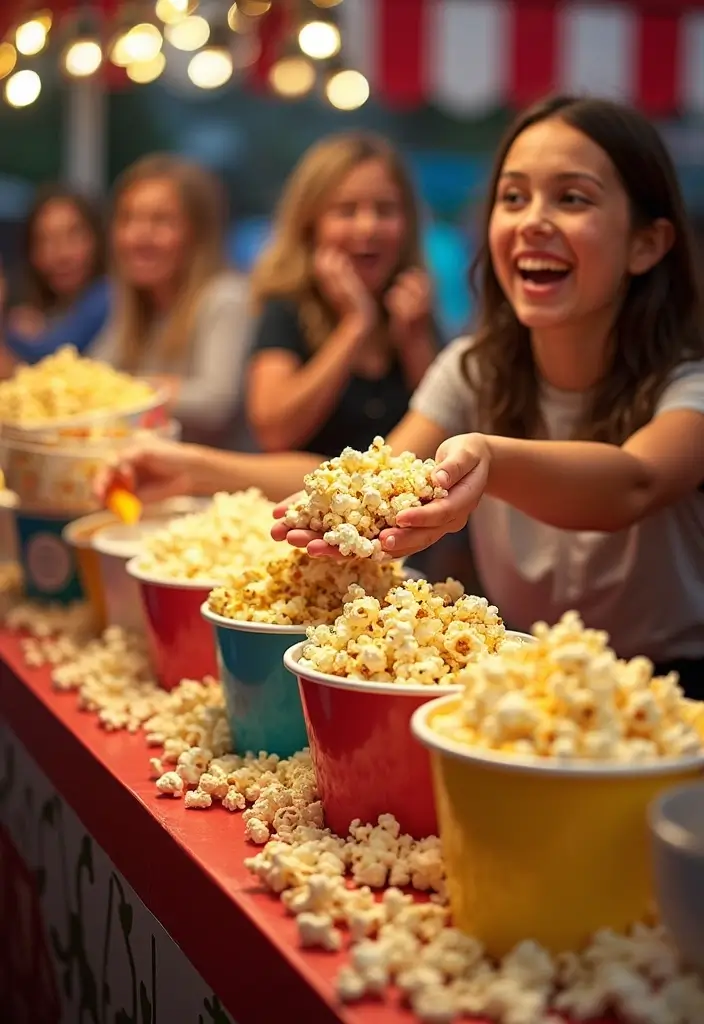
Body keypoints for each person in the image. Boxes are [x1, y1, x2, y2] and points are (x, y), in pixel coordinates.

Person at [274, 96, 704, 696]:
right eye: (514, 197)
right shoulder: (472, 369)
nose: (532, 220)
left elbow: (635, 482)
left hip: (670, 695)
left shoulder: (690, 385)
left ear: (647, 243)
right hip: (516, 679)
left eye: (572, 198)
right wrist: (197, 468)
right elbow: (375, 479)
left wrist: (491, 460)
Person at [246, 132, 439, 456]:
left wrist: (415, 341)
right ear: (311, 225)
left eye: (385, 210)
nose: (368, 227)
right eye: (347, 211)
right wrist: (355, 325)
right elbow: (274, 433)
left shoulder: (414, 309)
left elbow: (449, 436)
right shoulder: (287, 307)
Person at [90, 154, 252, 447]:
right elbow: (91, 377)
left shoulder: (225, 297)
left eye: (160, 221)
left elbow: (215, 403)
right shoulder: (138, 305)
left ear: (198, 234)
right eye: (127, 218)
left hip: (218, 487)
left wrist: (126, 388)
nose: (137, 236)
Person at [0, 185, 109, 369]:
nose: (61, 254)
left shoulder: (108, 293)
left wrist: (14, 331)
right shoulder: (51, 307)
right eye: (45, 241)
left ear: (96, 239)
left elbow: (56, 354)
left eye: (73, 235)